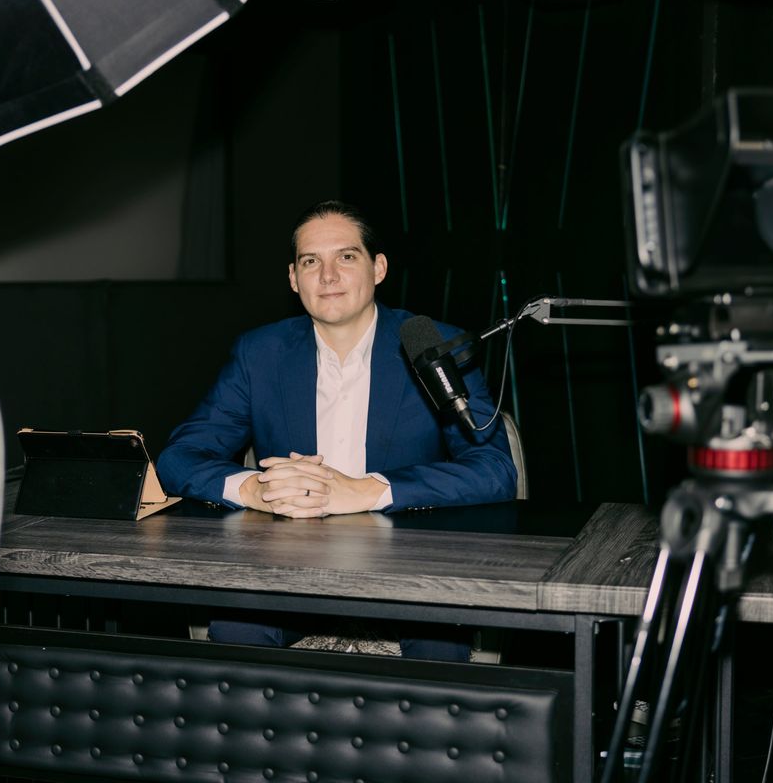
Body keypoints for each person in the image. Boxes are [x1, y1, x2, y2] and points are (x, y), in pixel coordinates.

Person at [157, 200, 516, 659]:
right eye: (311, 261)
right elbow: (180, 456)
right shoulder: (260, 353)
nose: (328, 276)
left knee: (439, 650)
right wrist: (254, 489)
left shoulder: (432, 347)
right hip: (288, 570)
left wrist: (368, 491)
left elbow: (494, 470)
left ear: (378, 268)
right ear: (293, 278)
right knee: (237, 633)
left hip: (409, 571)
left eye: (346, 257)